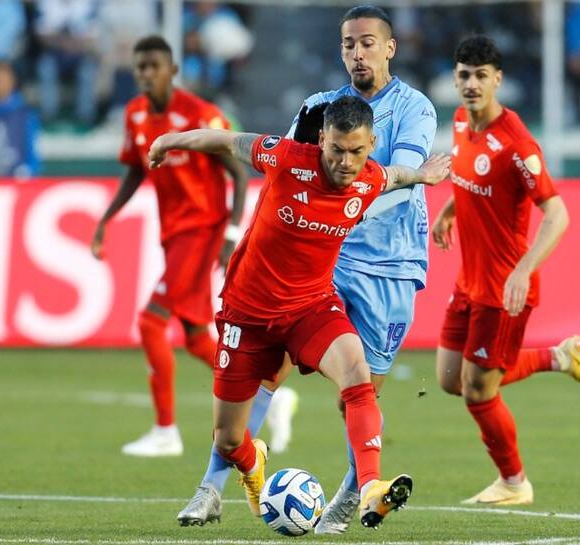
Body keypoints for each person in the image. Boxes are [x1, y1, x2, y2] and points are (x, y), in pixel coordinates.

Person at [176, 5, 438, 533]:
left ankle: (352, 494)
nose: (356, 53)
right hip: (322, 262)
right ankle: (212, 487)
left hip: (388, 265)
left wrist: (343, 209)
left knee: (360, 395)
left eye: (367, 43)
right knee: (266, 372)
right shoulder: (319, 107)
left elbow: (399, 180)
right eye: (348, 44)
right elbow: (284, 171)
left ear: (389, 48)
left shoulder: (415, 108)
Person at [431, 36, 580, 506]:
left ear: (498, 79)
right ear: (455, 77)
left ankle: (513, 482)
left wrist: (523, 270)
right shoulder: (460, 121)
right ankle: (560, 356)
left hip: (504, 290)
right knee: (450, 378)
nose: (471, 84)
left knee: (477, 391)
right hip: (469, 281)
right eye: (464, 75)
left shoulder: (517, 144)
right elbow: (472, 179)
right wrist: (450, 208)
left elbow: (558, 214)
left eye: (481, 75)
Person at [90, 35, 248, 457]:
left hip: (204, 229)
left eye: (153, 66)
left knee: (150, 322)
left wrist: (231, 235)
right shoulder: (136, 115)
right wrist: (106, 221)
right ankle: (267, 392)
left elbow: (238, 174)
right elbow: (133, 173)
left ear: (172, 71)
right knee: (197, 336)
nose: (145, 74)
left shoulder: (199, 115)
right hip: (173, 233)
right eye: (140, 67)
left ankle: (165, 431)